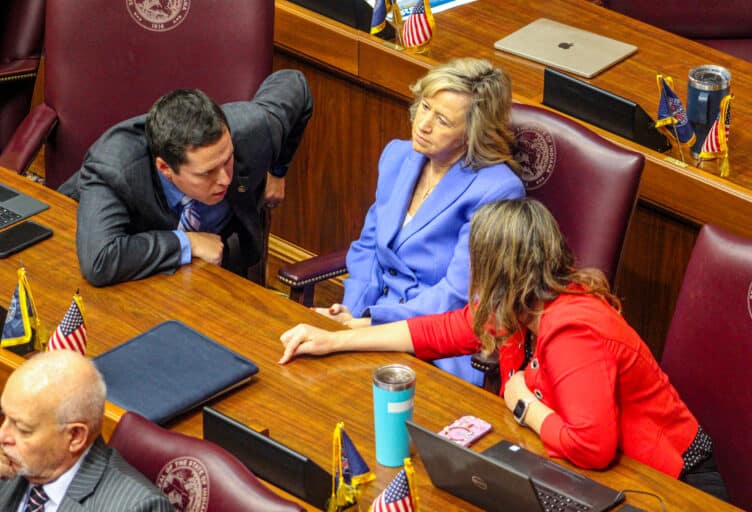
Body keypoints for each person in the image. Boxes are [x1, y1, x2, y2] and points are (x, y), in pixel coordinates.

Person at [280, 198, 728, 500]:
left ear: (498, 272)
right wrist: (337, 339)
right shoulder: (524, 303)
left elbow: (592, 446)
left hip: (672, 486)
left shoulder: (573, 331)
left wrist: (523, 406)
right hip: (597, 476)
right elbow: (436, 332)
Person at [314, 58, 525, 385]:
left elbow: (456, 295)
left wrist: (371, 324)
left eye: (442, 120)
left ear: (473, 133)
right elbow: (369, 249)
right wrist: (351, 312)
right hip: (368, 320)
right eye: (425, 107)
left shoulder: (496, 190)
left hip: (436, 345)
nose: (423, 124)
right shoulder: (398, 156)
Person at [59, 70, 313, 287]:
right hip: (131, 270)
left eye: (227, 160)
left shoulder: (252, 130)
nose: (225, 179)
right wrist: (187, 243)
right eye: (207, 173)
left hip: (220, 273)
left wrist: (278, 171)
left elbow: (295, 83)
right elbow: (99, 261)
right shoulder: (114, 168)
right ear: (165, 168)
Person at [0, 351, 172, 511]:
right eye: (3, 417)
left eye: (22, 429)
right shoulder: (14, 466)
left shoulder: (136, 507)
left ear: (75, 436)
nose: (2, 436)